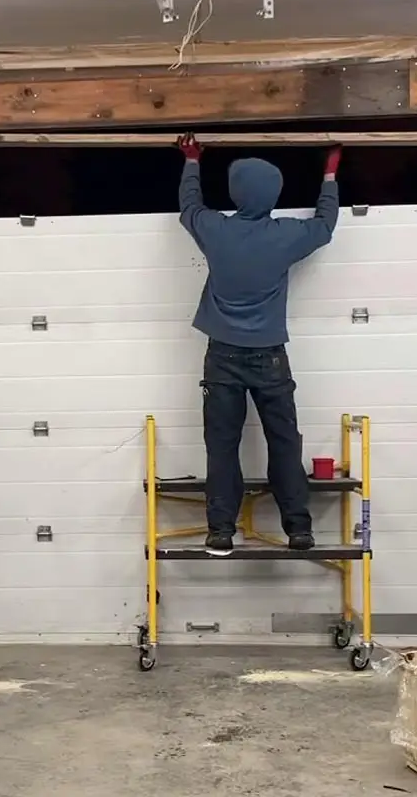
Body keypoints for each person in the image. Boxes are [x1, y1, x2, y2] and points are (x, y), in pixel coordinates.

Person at [176, 132, 341, 556]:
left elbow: (189, 207)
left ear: (236, 192)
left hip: (222, 357)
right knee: (284, 441)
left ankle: (220, 532)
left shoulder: (215, 230)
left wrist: (192, 161)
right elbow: (324, 226)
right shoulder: (286, 235)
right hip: (270, 357)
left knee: (222, 445)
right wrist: (329, 174)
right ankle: (299, 530)